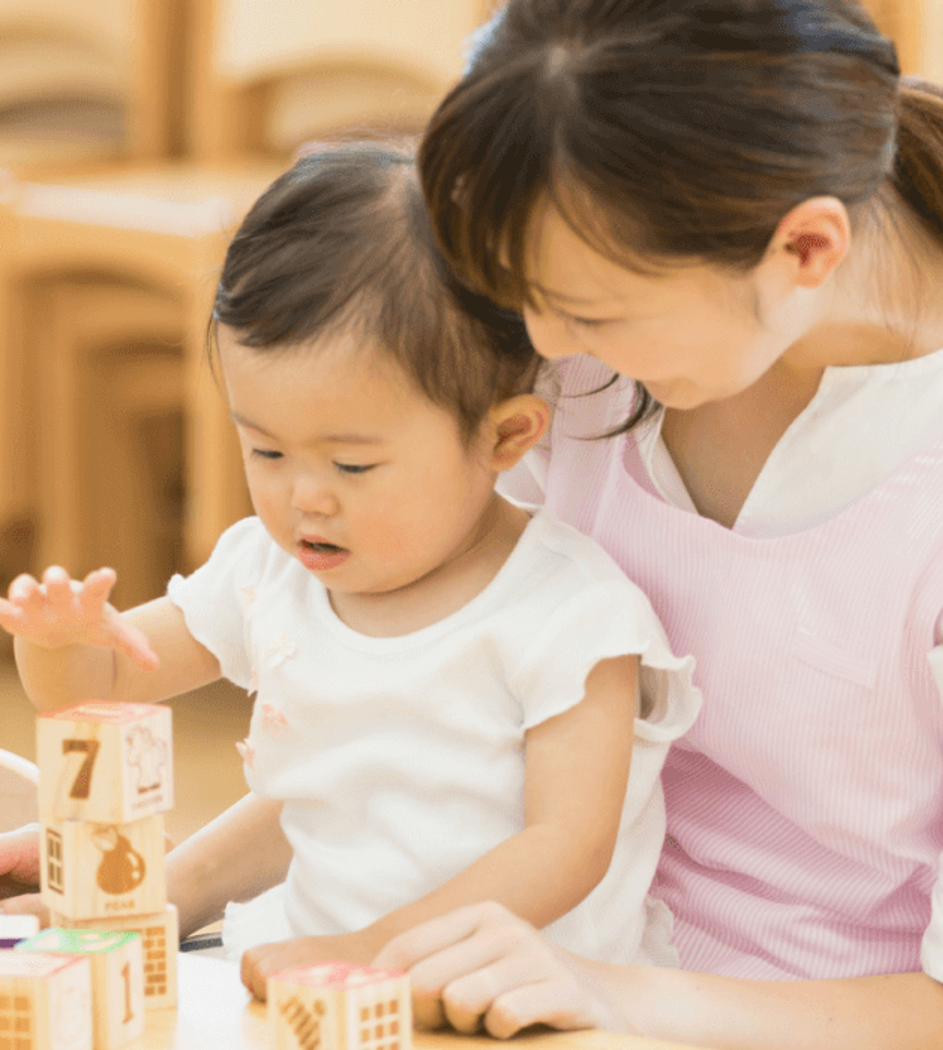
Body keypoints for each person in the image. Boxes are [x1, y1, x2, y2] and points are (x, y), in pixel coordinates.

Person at [0, 145, 699, 972]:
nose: (304, 497)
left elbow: (566, 850)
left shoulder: (571, 613)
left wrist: (371, 954)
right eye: (265, 451)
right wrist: (60, 643)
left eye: (351, 466)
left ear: (504, 435)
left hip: (511, 999)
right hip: (313, 972)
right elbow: (103, 688)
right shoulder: (269, 569)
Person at [367, 1, 943, 1045]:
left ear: (806, 248)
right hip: (535, 964)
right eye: (521, 296)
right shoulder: (581, 349)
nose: (541, 345)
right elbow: (426, 715)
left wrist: (613, 994)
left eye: (589, 312)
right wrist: (162, 899)